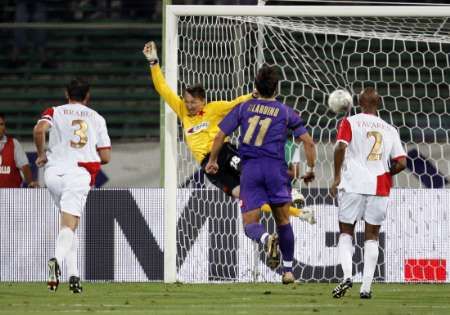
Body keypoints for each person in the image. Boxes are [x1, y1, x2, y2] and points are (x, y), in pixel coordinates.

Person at [142, 41, 316, 223]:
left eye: (193, 102)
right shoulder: (181, 110)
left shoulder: (214, 108)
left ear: (203, 100)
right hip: (208, 165)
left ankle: (289, 190)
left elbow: (236, 103)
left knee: (251, 174)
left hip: (223, 152)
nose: (189, 105)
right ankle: (300, 214)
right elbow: (162, 88)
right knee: (244, 196)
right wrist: (154, 62)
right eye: (186, 101)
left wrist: (252, 95)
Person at [205, 65, 317, 284]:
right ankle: (288, 271)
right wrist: (311, 169)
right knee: (283, 221)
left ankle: (266, 239)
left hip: (251, 170)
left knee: (249, 223)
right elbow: (308, 141)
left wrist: (212, 161)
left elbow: (219, 136)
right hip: (276, 170)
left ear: (255, 87)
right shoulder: (285, 111)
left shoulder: (244, 108)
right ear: (277, 89)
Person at [33, 78, 111, 293]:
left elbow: (40, 131)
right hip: (78, 173)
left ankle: (74, 276)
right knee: (70, 225)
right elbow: (105, 156)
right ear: (88, 96)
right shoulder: (96, 118)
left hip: (53, 173)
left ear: (67, 94)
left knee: (68, 226)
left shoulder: (54, 111)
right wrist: (87, 154)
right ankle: (55, 262)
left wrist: (41, 155)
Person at [330, 87, 406, 299]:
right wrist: (387, 172)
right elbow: (401, 162)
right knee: (372, 236)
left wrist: (336, 177)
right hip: (379, 186)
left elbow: (340, 147)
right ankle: (366, 288)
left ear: (359, 102)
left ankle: (346, 276)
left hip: (353, 184)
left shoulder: (350, 122)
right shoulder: (390, 128)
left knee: (346, 232)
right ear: (378, 103)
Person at [0, 113, 38, 188]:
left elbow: (24, 166)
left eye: (1, 124)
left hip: (12, 196)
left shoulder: (14, 144)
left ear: (5, 127)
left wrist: (30, 182)